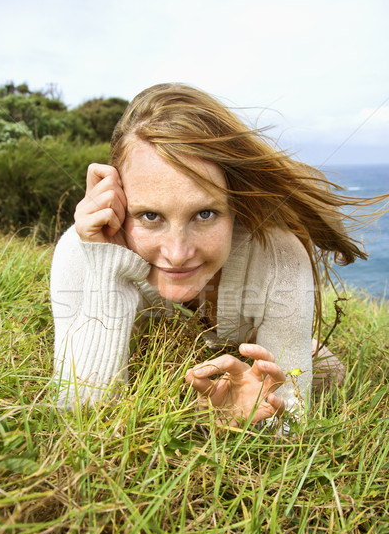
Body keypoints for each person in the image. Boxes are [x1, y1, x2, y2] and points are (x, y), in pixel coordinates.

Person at [50, 83, 372, 425]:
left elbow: (291, 420)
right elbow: (79, 412)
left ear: (235, 204)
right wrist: (106, 267)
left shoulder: (279, 256)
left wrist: (254, 420)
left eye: (205, 214)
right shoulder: (82, 250)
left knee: (331, 373)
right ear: (119, 200)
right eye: (150, 216)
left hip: (251, 344)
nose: (177, 253)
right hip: (165, 343)